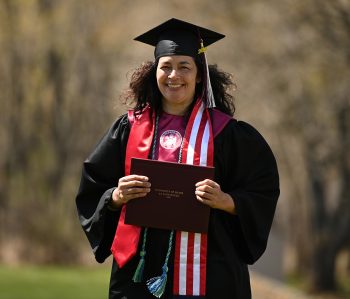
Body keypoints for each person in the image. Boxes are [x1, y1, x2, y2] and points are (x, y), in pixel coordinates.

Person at [76, 18, 280, 299]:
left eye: (184, 66)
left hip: (211, 271)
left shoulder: (228, 134)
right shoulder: (128, 128)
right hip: (139, 272)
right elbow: (93, 186)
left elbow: (263, 190)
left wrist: (228, 202)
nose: (174, 76)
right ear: (154, 72)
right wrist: (115, 196)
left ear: (199, 75)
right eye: (166, 67)